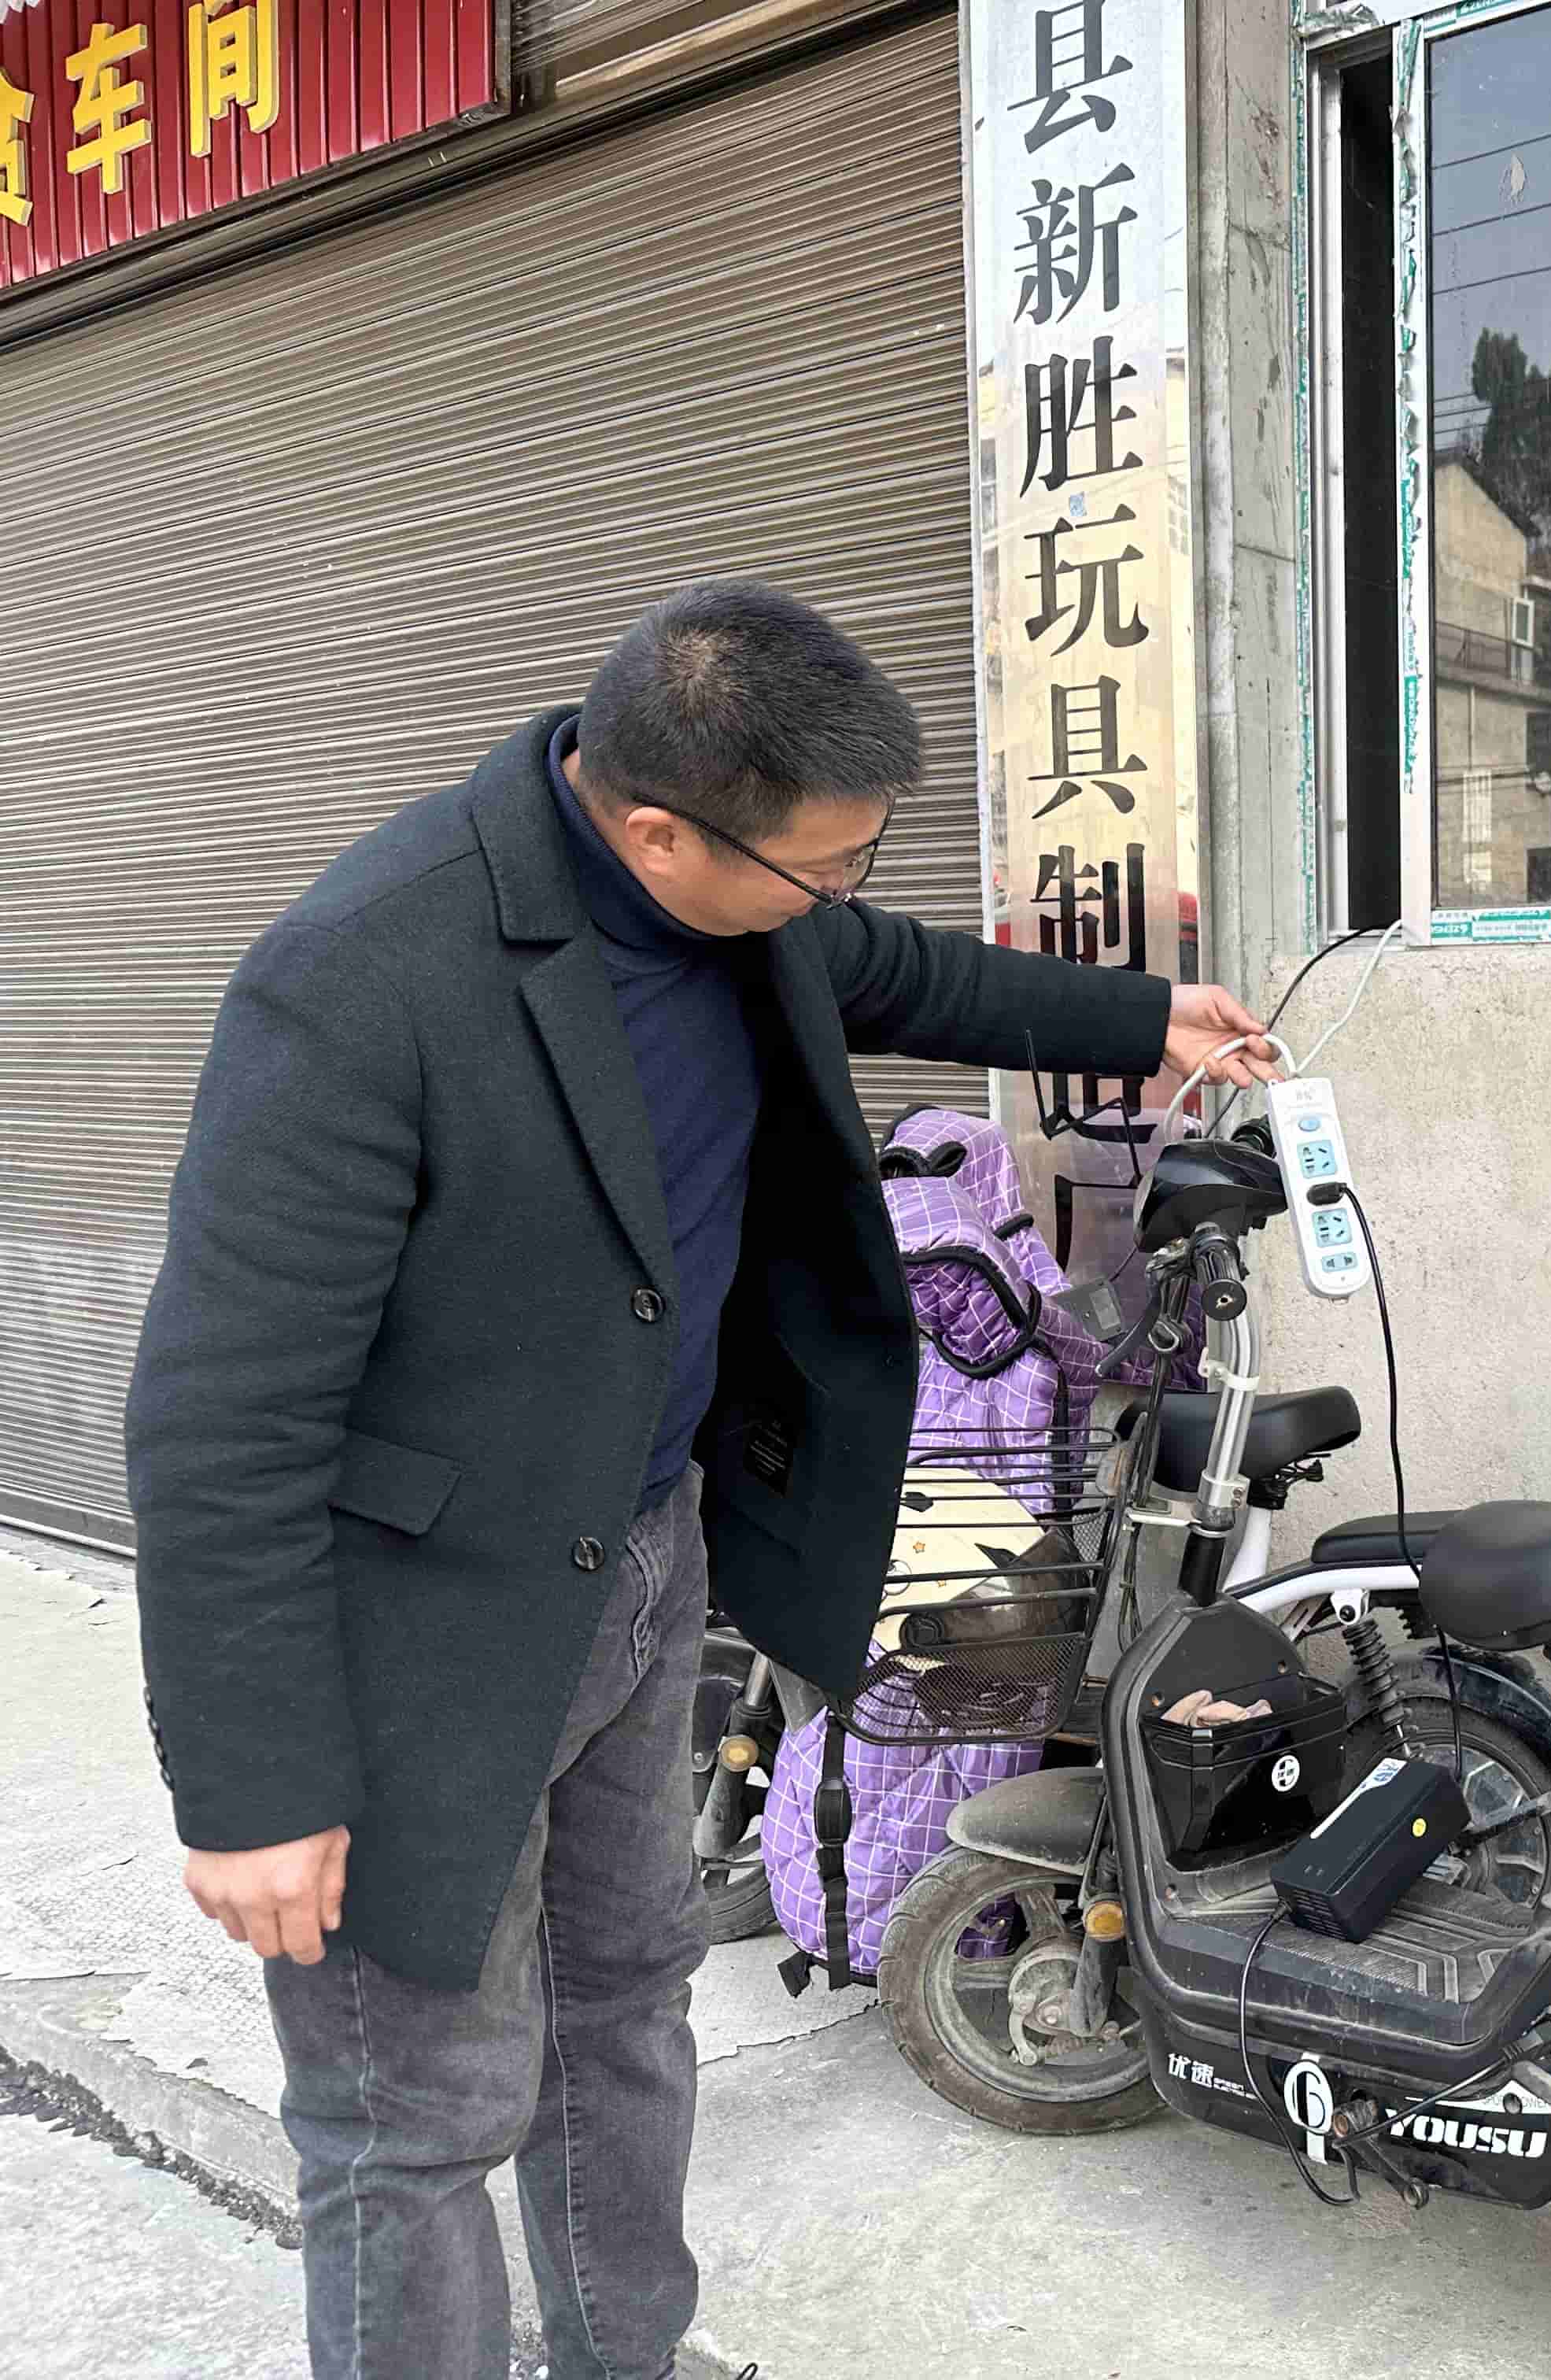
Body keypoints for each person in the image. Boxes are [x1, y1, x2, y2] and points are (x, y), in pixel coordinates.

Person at [123, 581, 1278, 2380]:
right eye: (822, 867)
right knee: (414, 2115)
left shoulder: (751, 908)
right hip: (419, 1639)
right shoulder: (366, 978)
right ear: (659, 830)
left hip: (644, 1557)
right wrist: (252, 1785)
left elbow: (905, 968)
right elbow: (221, 1418)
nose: (841, 898)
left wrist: (1151, 1024)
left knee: (624, 2008)